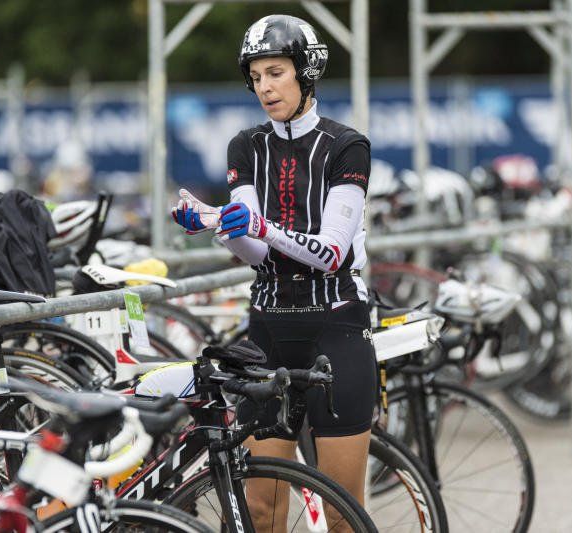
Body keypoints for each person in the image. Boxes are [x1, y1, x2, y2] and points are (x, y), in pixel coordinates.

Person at [171, 14, 376, 530]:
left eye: (276, 73)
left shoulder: (347, 146)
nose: (265, 87)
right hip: (269, 326)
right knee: (260, 510)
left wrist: (261, 225)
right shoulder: (245, 146)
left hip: (337, 324)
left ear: (306, 73)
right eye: (256, 76)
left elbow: (331, 253)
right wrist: (218, 226)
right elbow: (257, 253)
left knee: (342, 514)